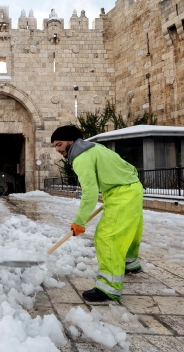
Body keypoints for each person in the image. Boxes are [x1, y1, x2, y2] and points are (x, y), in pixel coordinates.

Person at [51, 125, 144, 302]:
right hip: (133, 188)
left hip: (122, 194)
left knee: (107, 237)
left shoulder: (81, 158)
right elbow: (131, 168)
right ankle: (130, 264)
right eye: (55, 146)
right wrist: (119, 184)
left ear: (71, 141)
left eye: (59, 144)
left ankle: (109, 287)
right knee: (129, 231)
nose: (58, 150)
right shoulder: (96, 148)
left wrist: (79, 221)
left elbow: (90, 193)